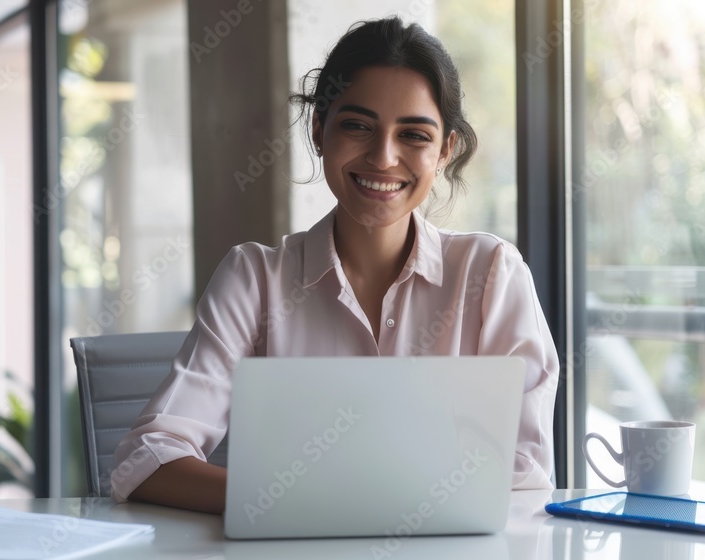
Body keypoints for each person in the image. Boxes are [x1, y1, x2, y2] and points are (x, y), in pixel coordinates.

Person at [110, 16, 559, 513]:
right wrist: (299, 503)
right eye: (357, 126)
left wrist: (353, 504)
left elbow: (526, 471)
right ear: (320, 131)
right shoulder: (256, 280)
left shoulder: (491, 274)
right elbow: (146, 458)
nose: (384, 158)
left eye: (414, 135)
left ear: (446, 150)